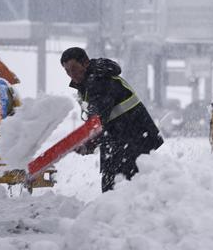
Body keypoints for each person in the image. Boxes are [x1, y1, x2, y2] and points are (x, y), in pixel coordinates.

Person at [60, 47, 163, 192]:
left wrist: (87, 143)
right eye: (67, 71)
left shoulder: (99, 81)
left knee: (117, 190)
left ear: (85, 63)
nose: (72, 75)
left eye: (74, 69)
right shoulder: (91, 81)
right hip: (122, 140)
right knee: (119, 190)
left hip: (132, 140)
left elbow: (97, 120)